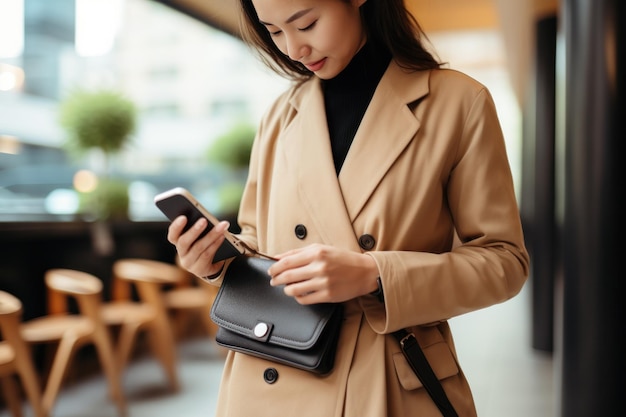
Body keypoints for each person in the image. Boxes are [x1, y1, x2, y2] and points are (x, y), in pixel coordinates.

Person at [168, 0, 530, 416]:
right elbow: (258, 242)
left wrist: (376, 275)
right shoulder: (280, 116)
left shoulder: (458, 103)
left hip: (384, 378)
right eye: (274, 31)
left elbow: (505, 261)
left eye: (306, 23)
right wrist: (214, 259)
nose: (293, 49)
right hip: (272, 372)